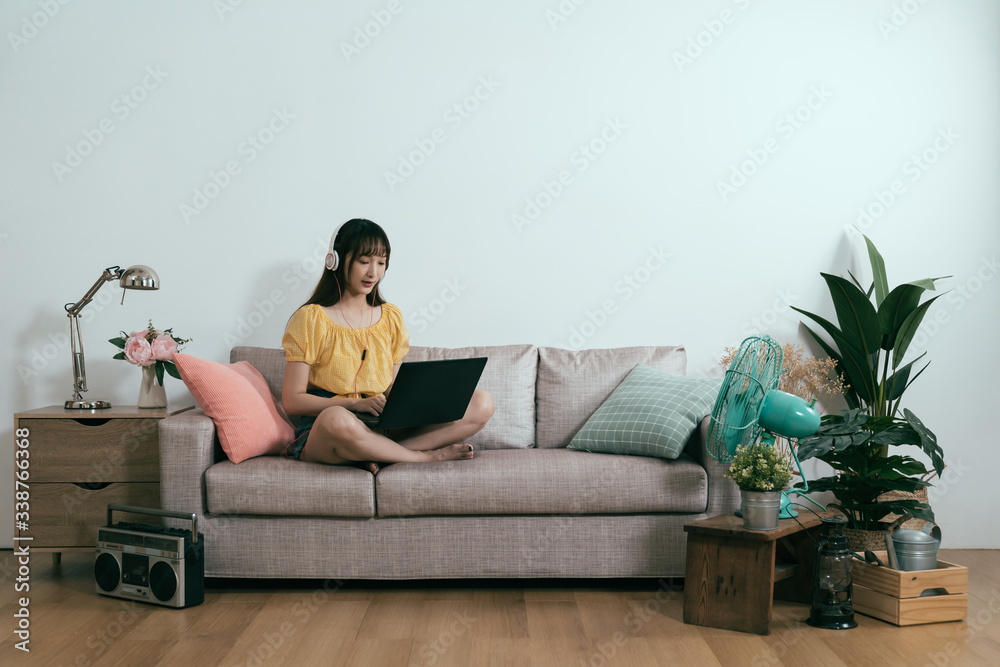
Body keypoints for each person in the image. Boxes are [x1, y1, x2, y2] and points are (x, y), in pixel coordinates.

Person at [281, 218, 494, 471]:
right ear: (335, 261)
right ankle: (423, 456)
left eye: (381, 263)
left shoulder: (390, 317)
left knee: (482, 402)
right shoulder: (311, 318)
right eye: (364, 262)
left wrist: (420, 402)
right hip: (330, 427)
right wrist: (352, 404)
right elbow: (292, 401)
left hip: (380, 422)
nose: (373, 273)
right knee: (335, 419)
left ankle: (376, 451)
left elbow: (392, 386)